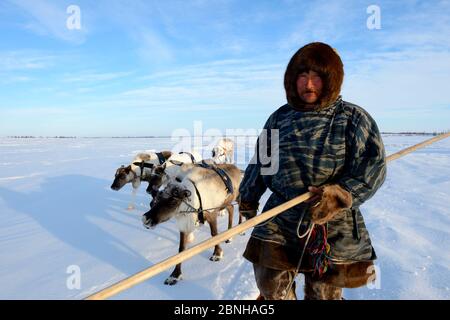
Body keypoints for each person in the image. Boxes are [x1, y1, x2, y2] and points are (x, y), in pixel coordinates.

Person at [238, 42, 386, 300]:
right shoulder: (279, 119)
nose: (308, 85)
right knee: (270, 285)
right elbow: (262, 162)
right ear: (291, 80)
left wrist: (340, 194)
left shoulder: (353, 118)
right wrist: (248, 197)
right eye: (302, 76)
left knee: (323, 293)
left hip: (331, 219)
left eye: (316, 77)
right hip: (281, 214)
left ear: (330, 80)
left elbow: (373, 168)